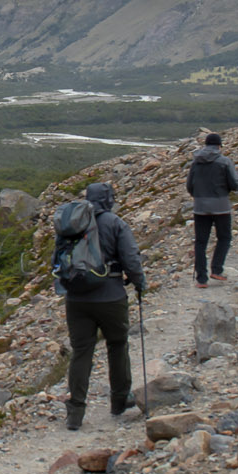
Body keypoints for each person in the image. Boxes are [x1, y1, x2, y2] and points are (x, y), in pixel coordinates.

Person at [59, 182, 146, 431]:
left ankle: (75, 411)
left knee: (81, 351)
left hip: (76, 298)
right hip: (110, 295)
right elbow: (131, 258)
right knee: (117, 345)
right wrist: (139, 283)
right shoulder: (116, 223)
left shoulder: (72, 222)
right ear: (109, 199)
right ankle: (119, 401)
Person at [187, 132, 238, 287]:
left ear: (206, 145)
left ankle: (201, 279)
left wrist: (198, 196)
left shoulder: (196, 162)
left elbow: (189, 186)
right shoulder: (224, 162)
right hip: (221, 206)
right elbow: (235, 185)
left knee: (200, 242)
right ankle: (216, 270)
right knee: (224, 238)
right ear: (219, 146)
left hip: (200, 207)